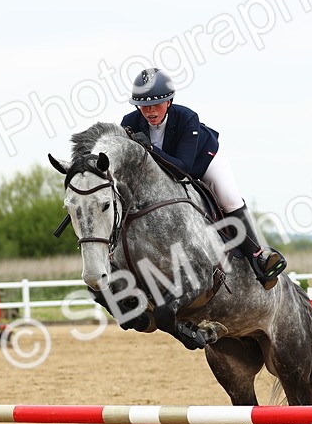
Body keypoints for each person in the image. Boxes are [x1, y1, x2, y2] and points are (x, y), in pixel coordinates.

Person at [119, 68, 287, 290]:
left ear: (169, 102)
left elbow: (183, 168)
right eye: (143, 105)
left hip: (202, 162)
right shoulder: (129, 122)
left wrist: (148, 147)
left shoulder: (187, 117)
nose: (149, 111)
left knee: (229, 198)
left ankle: (258, 257)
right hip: (160, 174)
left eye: (156, 104)